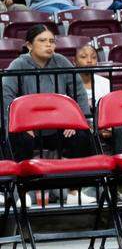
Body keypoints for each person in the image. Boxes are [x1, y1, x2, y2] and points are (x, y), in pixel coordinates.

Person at [3, 26, 94, 171]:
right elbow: (6, 96)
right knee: (18, 139)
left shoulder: (62, 61)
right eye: (42, 40)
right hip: (29, 128)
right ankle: (22, 189)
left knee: (83, 135)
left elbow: (79, 92)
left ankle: (75, 186)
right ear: (29, 45)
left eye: (52, 41)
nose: (48, 44)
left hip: (59, 127)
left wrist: (77, 122)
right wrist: (18, 125)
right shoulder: (18, 64)